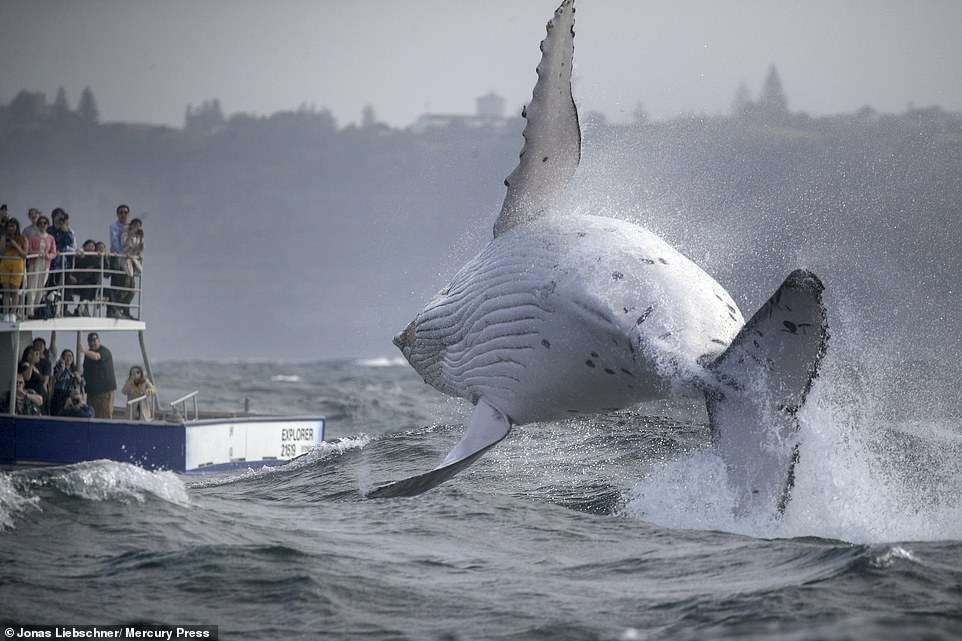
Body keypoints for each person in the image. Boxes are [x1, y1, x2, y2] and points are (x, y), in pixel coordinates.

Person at [26, 215, 58, 317]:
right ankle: (29, 311)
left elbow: (54, 252)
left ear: (47, 225)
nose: (42, 225)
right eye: (40, 223)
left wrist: (48, 256)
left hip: (45, 264)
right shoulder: (33, 237)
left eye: (44, 223)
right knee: (32, 287)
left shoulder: (51, 238)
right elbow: (29, 250)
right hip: (35, 263)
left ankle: (36, 309)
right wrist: (36, 253)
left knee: (41, 287)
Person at [80, 332, 116, 418]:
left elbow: (96, 357)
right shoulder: (88, 355)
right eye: (90, 341)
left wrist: (84, 351)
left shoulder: (104, 352)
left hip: (104, 392)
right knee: (91, 414)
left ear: (99, 341)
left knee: (104, 415)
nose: (92, 343)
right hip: (91, 392)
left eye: (94, 341)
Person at [0, 217, 28, 321]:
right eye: (9, 226)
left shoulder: (22, 238)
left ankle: (13, 312)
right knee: (6, 290)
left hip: (17, 264)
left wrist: (15, 245)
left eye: (13, 226)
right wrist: (4, 243)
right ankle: (6, 312)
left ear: (17, 227)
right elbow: (1, 253)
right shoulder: (4, 237)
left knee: (14, 291)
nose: (11, 228)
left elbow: (25, 254)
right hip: (6, 264)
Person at [119, 217, 144, 318]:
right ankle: (118, 308)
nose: (136, 227)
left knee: (132, 290)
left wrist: (142, 238)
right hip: (125, 260)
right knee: (125, 286)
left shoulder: (138, 236)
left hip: (133, 262)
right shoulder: (125, 234)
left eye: (138, 226)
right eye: (135, 225)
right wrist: (129, 236)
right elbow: (124, 245)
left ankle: (126, 309)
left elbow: (140, 249)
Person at [108, 204, 130, 318]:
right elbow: (114, 241)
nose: (123, 214)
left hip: (128, 259)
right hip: (117, 257)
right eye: (121, 212)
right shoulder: (114, 226)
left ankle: (124, 309)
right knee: (117, 283)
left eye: (125, 212)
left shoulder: (131, 227)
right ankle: (113, 309)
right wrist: (122, 253)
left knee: (130, 287)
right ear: (117, 214)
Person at [71, 239, 102, 316]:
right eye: (89, 246)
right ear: (84, 247)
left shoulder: (96, 259)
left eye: (93, 246)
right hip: (78, 282)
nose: (91, 248)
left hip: (90, 283)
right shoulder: (80, 257)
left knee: (91, 287)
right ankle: (81, 308)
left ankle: (82, 308)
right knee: (87, 287)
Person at [51, 349, 84, 416]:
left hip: (71, 394)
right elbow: (59, 377)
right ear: (62, 357)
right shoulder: (58, 367)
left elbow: (83, 383)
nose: (69, 358)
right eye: (67, 356)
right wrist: (63, 367)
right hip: (60, 394)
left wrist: (79, 378)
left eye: (71, 356)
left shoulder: (74, 369)